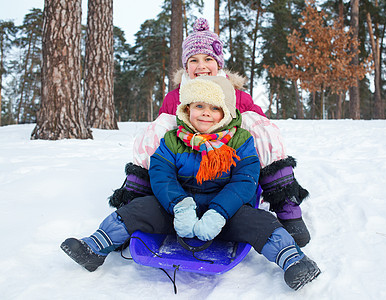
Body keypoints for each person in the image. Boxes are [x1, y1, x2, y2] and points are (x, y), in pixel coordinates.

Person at [61, 76, 320, 290]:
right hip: (178, 210)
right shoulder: (173, 139)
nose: (206, 113)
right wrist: (179, 206)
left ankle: (293, 260)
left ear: (225, 112)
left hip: (226, 211)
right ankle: (95, 247)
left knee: (260, 222)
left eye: (214, 108)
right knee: (138, 210)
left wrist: (219, 211)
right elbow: (161, 174)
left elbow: (245, 180)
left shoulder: (240, 140)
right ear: (186, 110)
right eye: (199, 106)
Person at [110, 18, 311, 247]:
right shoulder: (174, 98)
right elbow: (164, 140)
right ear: (186, 66)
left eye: (208, 59)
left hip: (228, 161)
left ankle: (287, 207)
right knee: (158, 125)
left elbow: (259, 128)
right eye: (193, 60)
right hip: (186, 163)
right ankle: (133, 206)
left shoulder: (237, 95)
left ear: (218, 64)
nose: (201, 66)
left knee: (257, 124)